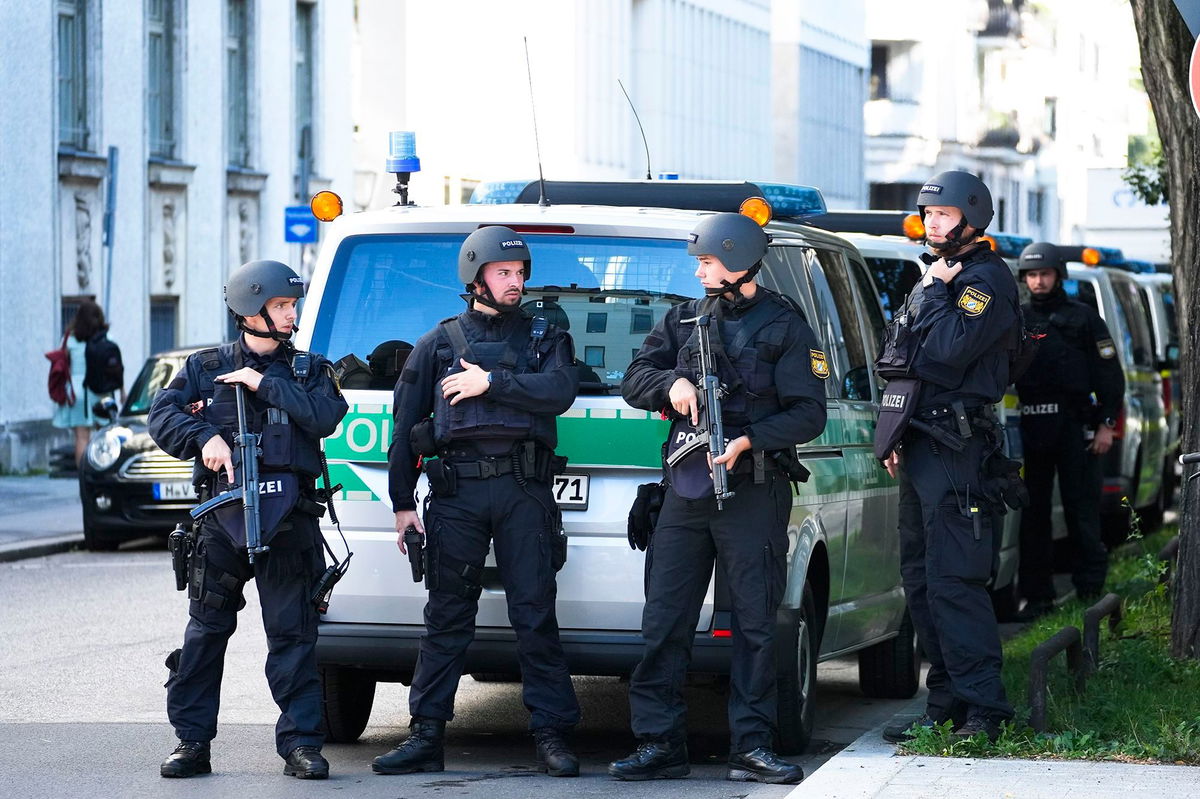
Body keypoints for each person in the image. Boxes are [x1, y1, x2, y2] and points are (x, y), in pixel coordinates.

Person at [610, 212, 827, 785]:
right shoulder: (683, 319)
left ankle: (752, 746)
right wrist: (670, 384)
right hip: (685, 491)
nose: (700, 271)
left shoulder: (784, 326)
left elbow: (810, 413)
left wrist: (750, 439)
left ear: (738, 259)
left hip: (752, 489)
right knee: (664, 621)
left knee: (756, 623)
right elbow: (635, 375)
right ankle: (659, 743)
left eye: (706, 261)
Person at [374, 225, 582, 778]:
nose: (515, 282)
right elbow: (405, 426)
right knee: (446, 616)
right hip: (457, 494)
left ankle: (552, 735)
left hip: (523, 490)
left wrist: (493, 383)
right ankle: (425, 735)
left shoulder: (545, 334)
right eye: (503, 273)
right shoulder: (437, 343)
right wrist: (402, 504)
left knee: (535, 614)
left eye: (519, 274)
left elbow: (560, 392)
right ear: (476, 278)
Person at [148, 260, 348, 780]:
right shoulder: (203, 367)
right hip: (221, 520)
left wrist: (263, 385)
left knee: (293, 637)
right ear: (248, 312)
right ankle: (192, 742)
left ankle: (302, 744)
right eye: (281, 306)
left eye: (291, 305)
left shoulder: (308, 370)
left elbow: (326, 416)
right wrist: (203, 437)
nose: (291, 314)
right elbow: (161, 414)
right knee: (205, 632)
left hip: (289, 521)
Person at [875, 171, 1020, 745]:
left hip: (959, 449)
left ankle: (985, 710)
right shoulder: (932, 277)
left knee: (955, 580)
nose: (931, 221)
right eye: (926, 212)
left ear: (972, 216)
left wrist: (933, 296)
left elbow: (942, 355)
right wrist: (895, 434)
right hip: (921, 443)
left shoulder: (984, 279)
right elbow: (894, 354)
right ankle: (946, 704)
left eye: (942, 213)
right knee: (920, 578)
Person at [1014, 242, 1124, 619]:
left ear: (1058, 275)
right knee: (1034, 515)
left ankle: (1089, 591)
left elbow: (1109, 374)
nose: (1038, 281)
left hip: (1076, 426)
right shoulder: (1018, 318)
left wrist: (1107, 424)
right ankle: (1037, 596)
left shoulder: (1084, 318)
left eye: (1044, 273)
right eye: (1032, 275)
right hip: (1031, 423)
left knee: (1082, 509)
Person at [52, 298, 121, 464]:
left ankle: (84, 480)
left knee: (81, 438)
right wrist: (122, 391)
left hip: (77, 393)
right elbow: (116, 367)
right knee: (105, 435)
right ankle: (102, 475)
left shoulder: (70, 339)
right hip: (102, 391)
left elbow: (63, 364)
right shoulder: (107, 338)